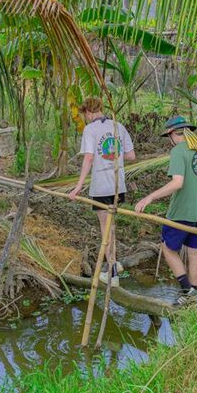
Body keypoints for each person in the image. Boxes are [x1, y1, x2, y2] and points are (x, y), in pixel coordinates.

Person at [135, 116, 197, 305]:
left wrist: (150, 197)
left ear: (173, 134)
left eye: (169, 136)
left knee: (168, 248)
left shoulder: (178, 151)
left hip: (181, 212)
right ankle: (194, 294)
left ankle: (186, 288)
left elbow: (177, 182)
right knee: (194, 251)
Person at [69, 97, 135, 286]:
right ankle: (116, 262)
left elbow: (88, 159)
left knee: (105, 230)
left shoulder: (90, 130)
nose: (86, 119)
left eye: (85, 116)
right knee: (111, 226)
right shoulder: (118, 126)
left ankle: (113, 274)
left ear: (88, 112)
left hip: (101, 186)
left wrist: (78, 186)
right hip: (118, 186)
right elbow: (131, 156)